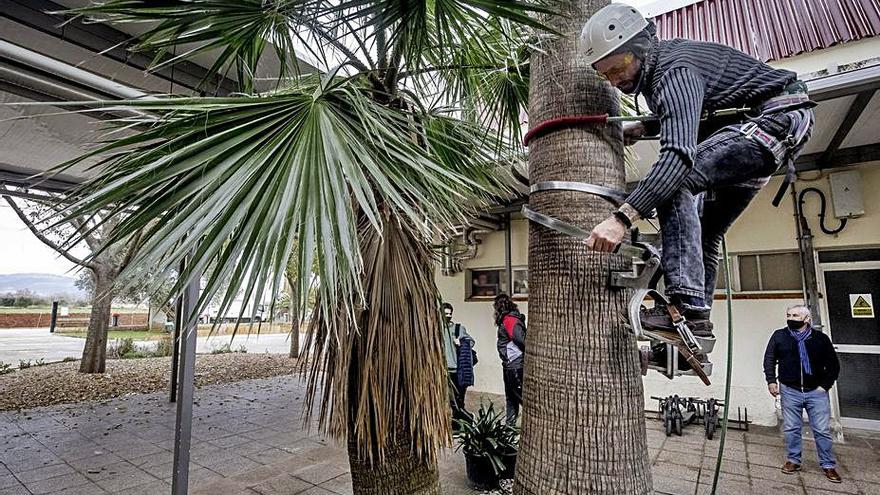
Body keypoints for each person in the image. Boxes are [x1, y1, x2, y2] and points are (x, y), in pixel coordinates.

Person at [579, 4, 814, 341]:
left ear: (641, 48)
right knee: (705, 232)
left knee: (676, 181)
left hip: (774, 121)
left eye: (619, 67)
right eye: (606, 75)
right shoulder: (665, 71)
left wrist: (621, 220)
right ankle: (696, 327)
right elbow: (700, 111)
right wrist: (646, 126)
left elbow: (678, 158)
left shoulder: (674, 70)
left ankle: (685, 306)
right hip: (770, 130)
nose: (615, 81)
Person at [763, 304, 841, 483]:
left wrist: (824, 386)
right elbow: (769, 359)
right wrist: (771, 380)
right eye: (789, 315)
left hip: (816, 391)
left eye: (796, 316)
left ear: (807, 319)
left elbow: (833, 365)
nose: (791, 318)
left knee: (821, 430)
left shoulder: (820, 339)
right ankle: (793, 460)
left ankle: (828, 465)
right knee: (791, 428)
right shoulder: (779, 336)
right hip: (790, 390)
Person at [494, 294, 526, 423]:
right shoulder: (509, 319)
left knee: (519, 396)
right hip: (510, 364)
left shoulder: (509, 320)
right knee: (511, 397)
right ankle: (509, 427)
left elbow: (520, 340)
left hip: (515, 364)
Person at [442, 302, 474, 422]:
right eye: (445, 314)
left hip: (457, 370)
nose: (448, 316)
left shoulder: (458, 328)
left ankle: (467, 420)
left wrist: (461, 343)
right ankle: (458, 422)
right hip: (443, 370)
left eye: (450, 314)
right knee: (449, 400)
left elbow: (471, 341)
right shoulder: (436, 329)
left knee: (458, 400)